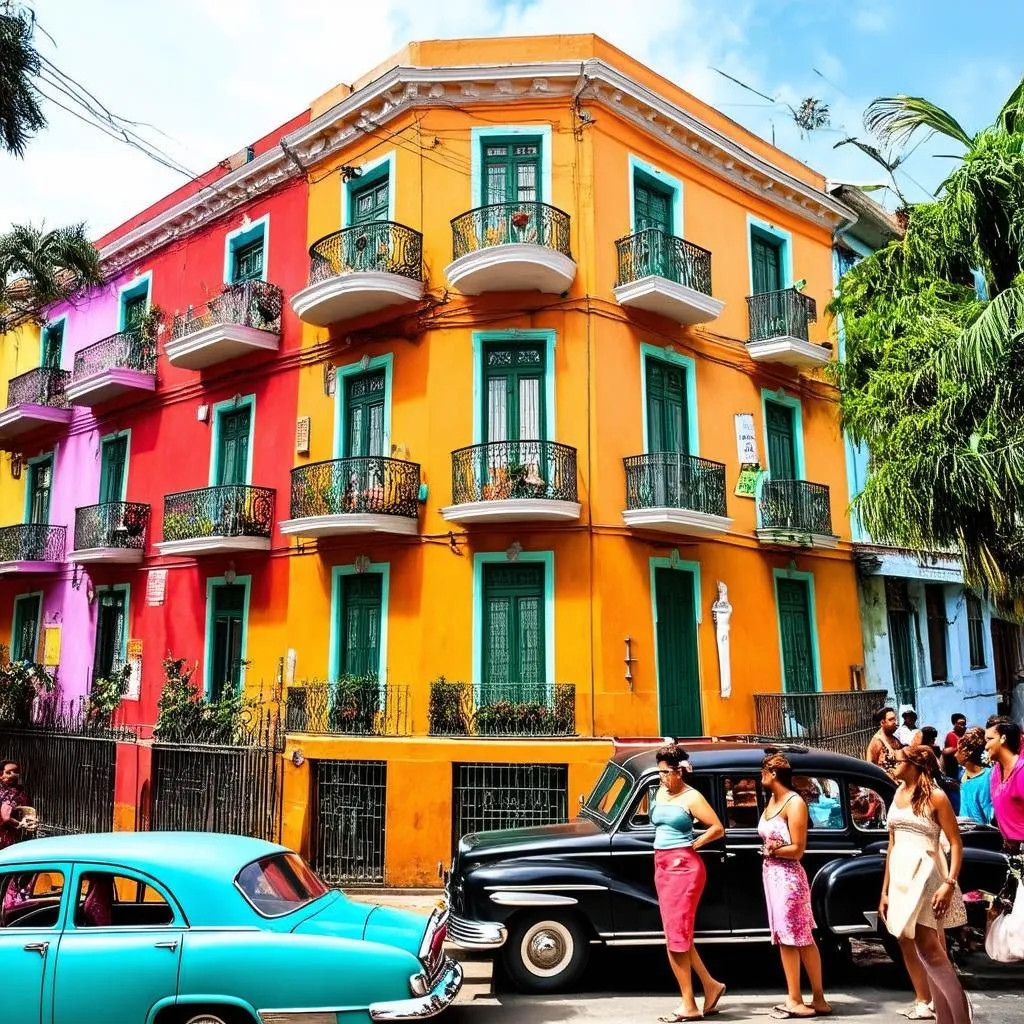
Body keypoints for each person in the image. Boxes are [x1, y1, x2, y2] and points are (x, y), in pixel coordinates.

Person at [880, 746, 971, 1024]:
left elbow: (955, 842)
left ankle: (961, 1019)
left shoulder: (937, 796)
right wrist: (884, 891)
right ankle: (944, 1018)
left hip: (926, 874)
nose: (892, 763)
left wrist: (949, 883)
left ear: (915, 763)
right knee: (923, 950)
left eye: (897, 760)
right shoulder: (897, 794)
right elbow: (892, 844)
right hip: (901, 876)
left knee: (929, 949)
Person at [652, 743, 727, 1023]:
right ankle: (710, 985)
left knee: (675, 942)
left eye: (665, 773)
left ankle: (689, 1005)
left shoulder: (691, 797)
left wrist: (693, 843)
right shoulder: (661, 792)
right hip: (662, 867)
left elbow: (717, 827)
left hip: (684, 869)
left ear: (679, 772)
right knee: (679, 935)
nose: (661, 777)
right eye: (659, 772)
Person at [758, 752, 831, 1019]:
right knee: (784, 938)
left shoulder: (794, 802)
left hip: (789, 878)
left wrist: (773, 851)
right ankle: (794, 996)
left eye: (764, 771)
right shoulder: (772, 802)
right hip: (773, 876)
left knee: (799, 936)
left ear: (773, 773)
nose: (761, 776)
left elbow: (798, 849)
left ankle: (816, 996)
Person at [984, 715, 1024, 908]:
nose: (985, 746)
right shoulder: (995, 772)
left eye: (989, 739)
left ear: (1003, 739)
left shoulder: (1021, 772)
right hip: (1009, 852)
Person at [956, 727, 993, 825]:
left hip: (982, 834)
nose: (955, 755)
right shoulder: (962, 774)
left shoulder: (988, 777)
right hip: (965, 833)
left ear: (965, 753)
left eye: (958, 751)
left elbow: (989, 813)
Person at [0, 760, 28, 852]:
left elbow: (24, 811)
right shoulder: (6, 793)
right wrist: (20, 824)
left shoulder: (19, 793)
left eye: (16, 772)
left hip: (11, 836)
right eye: (8, 772)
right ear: (1, 775)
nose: (13, 775)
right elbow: (5, 816)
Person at [943, 715, 968, 780]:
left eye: (964, 724)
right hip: (955, 769)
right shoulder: (951, 735)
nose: (962, 726)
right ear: (954, 724)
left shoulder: (965, 735)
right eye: (960, 724)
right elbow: (954, 752)